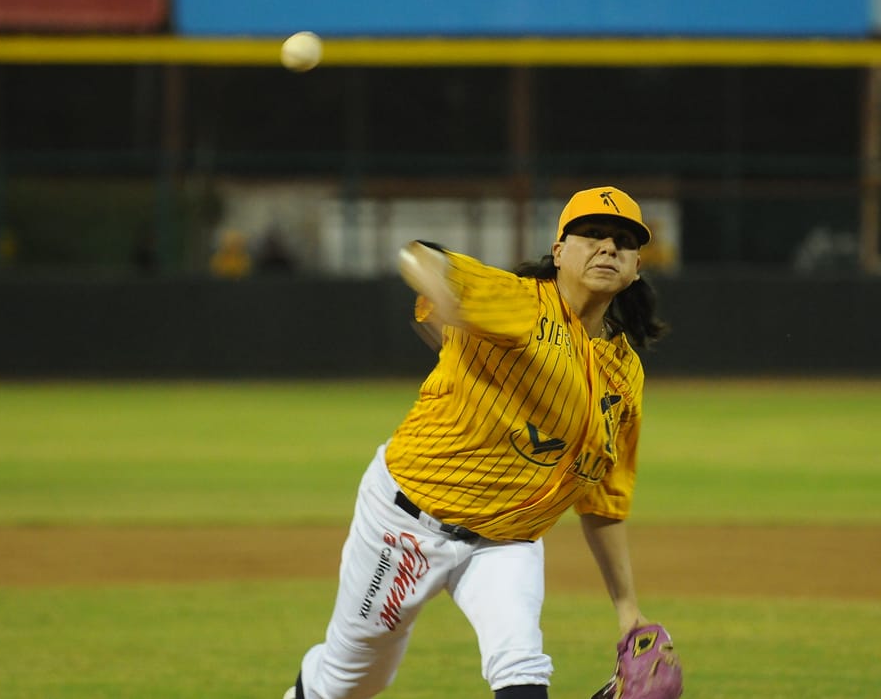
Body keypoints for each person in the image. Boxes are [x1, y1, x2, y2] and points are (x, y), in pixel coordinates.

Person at [284, 186, 670, 699]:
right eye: (592, 234)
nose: (608, 247)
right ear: (559, 252)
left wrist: (627, 608)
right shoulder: (517, 303)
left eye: (623, 241)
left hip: (507, 540)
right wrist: (446, 305)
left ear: (637, 265)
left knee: (522, 666)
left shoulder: (624, 374)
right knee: (351, 680)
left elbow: (601, 500)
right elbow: (420, 256)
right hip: (406, 524)